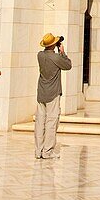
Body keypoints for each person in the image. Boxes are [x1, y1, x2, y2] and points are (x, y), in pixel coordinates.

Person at [35, 32, 72, 160]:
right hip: (53, 93)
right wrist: (62, 52)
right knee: (51, 121)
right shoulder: (56, 58)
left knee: (40, 122)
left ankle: (38, 150)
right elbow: (68, 65)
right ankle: (48, 151)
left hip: (41, 92)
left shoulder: (40, 55)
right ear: (53, 45)